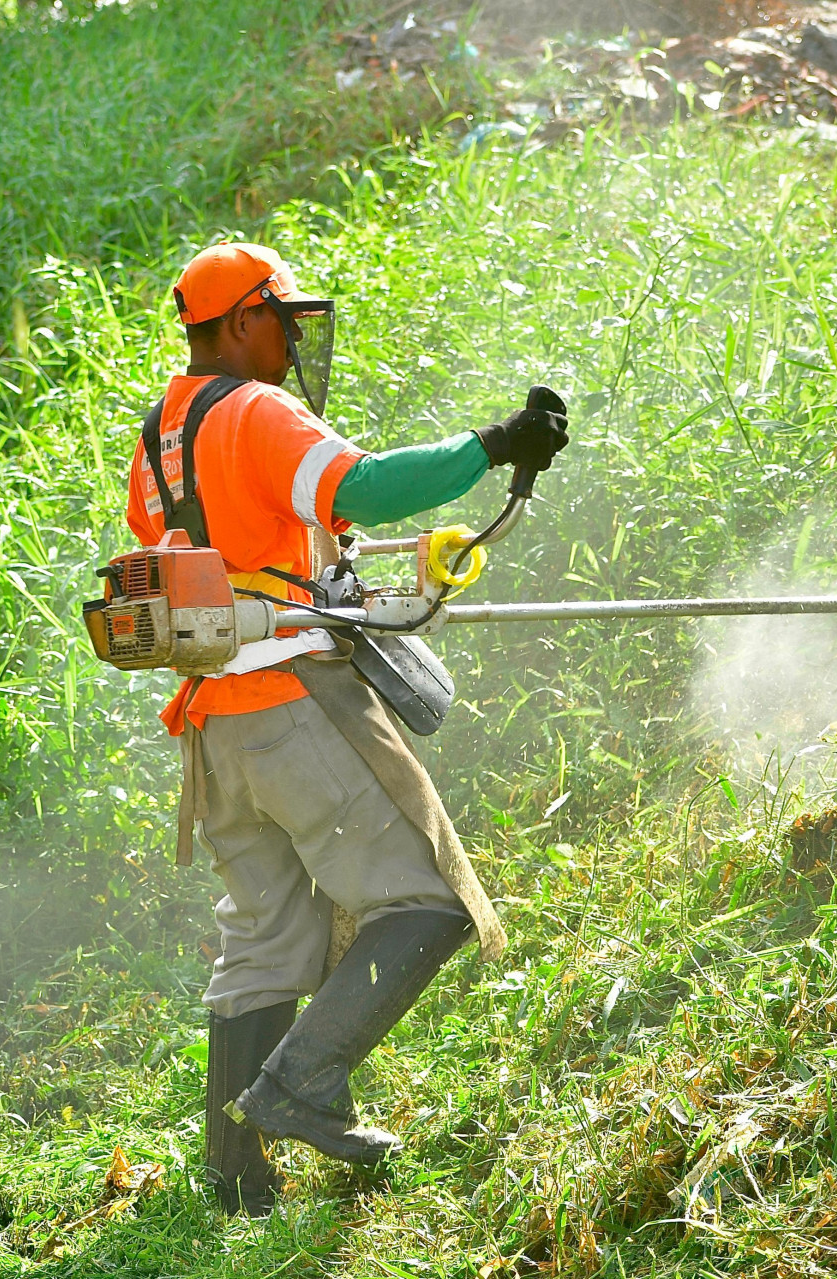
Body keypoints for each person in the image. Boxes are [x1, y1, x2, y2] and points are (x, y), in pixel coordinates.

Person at [123, 242, 569, 1215]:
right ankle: (299, 1085)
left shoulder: (162, 431)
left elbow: (242, 565)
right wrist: (491, 447)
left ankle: (237, 1181)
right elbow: (357, 490)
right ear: (240, 321)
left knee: (267, 942)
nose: (289, 342)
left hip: (214, 735)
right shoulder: (254, 409)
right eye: (281, 320)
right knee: (429, 898)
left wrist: (406, 565)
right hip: (290, 711)